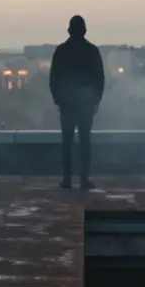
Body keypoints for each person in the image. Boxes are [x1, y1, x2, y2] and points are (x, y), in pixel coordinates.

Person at [48, 15, 105, 189]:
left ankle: (67, 178)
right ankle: (84, 178)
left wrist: (58, 99)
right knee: (85, 141)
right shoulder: (92, 51)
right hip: (86, 102)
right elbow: (99, 79)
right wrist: (96, 100)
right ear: (84, 31)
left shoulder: (61, 51)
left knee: (67, 141)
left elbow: (53, 78)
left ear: (69, 31)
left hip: (67, 102)